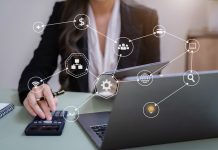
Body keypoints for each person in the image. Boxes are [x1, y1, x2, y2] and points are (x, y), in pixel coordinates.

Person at [18, 0, 160, 120]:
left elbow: (153, 77)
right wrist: (35, 90)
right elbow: (37, 68)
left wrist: (133, 86)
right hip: (77, 117)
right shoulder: (62, 12)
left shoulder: (146, 17)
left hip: (127, 118)